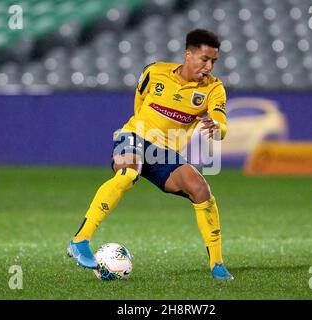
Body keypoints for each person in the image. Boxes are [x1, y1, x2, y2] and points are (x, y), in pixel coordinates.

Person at [67, 29, 233, 280]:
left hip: (166, 154)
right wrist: (140, 132)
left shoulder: (213, 89)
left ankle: (217, 265)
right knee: (127, 175)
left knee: (201, 189)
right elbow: (139, 103)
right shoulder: (154, 72)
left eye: (213, 61)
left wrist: (216, 128)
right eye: (204, 59)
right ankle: (80, 240)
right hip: (134, 136)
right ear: (188, 55)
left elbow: (221, 127)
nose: (209, 66)